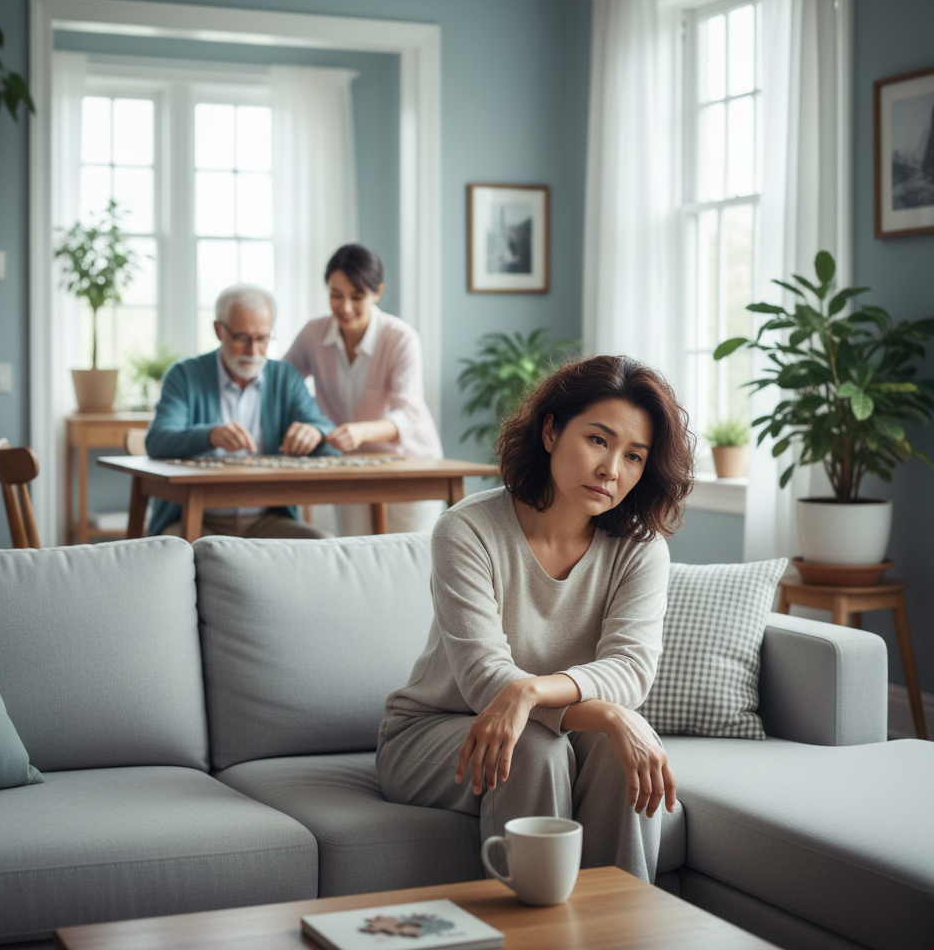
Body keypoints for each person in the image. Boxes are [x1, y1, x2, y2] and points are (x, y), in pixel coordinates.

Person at [376, 355, 696, 883]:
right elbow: (486, 681)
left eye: (634, 456)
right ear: (551, 431)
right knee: (533, 749)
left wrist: (531, 694)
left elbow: (631, 667)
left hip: (550, 729)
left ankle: (619, 934)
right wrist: (614, 716)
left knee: (616, 757)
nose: (611, 470)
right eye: (598, 440)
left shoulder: (640, 550)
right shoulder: (467, 530)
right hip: (432, 732)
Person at [145, 283, 337, 539]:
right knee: (176, 555)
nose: (253, 351)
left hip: (267, 521)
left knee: (326, 546)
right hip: (196, 518)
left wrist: (316, 433)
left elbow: (332, 441)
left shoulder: (286, 378)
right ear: (219, 330)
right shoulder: (184, 375)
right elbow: (157, 441)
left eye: (262, 339)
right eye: (241, 338)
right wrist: (210, 435)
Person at [284, 243, 444, 535]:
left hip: (410, 464)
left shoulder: (400, 338)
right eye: (336, 295)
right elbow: (283, 384)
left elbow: (408, 414)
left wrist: (359, 431)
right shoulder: (313, 334)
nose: (344, 308)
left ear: (377, 293)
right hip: (349, 466)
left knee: (411, 559)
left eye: (357, 297)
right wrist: (311, 423)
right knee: (354, 558)